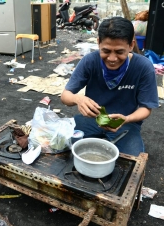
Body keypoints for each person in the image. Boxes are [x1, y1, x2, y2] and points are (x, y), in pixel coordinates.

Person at [61, 17, 158, 156]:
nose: (112, 59)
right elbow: (65, 96)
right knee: (57, 143)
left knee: (132, 161)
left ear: (131, 45)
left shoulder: (143, 67)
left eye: (119, 52)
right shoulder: (90, 61)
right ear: (98, 43)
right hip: (91, 119)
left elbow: (146, 108)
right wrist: (78, 99)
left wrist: (127, 119)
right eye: (106, 51)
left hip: (125, 124)